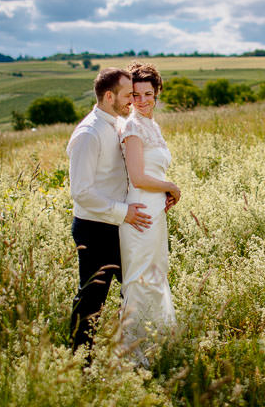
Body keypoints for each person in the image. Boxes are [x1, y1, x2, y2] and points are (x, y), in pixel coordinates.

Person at [67, 67, 152, 353]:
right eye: (128, 94)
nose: (133, 100)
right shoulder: (88, 134)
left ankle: (130, 350)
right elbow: (81, 192)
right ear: (108, 96)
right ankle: (80, 363)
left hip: (116, 226)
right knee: (91, 301)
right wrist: (123, 212)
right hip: (93, 229)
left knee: (135, 288)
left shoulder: (115, 123)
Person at [118, 61, 181, 364]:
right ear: (128, 97)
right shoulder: (131, 127)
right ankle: (131, 353)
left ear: (157, 94)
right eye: (135, 95)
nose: (141, 101)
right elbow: (139, 177)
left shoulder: (152, 126)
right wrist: (171, 186)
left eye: (148, 94)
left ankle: (157, 343)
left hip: (155, 212)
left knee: (157, 273)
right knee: (139, 278)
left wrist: (165, 193)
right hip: (140, 213)